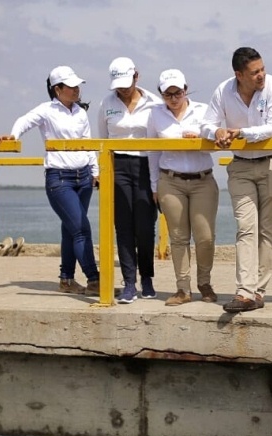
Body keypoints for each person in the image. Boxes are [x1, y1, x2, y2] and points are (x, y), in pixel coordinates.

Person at [0, 66, 100, 296]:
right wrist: (13, 136)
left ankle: (66, 279)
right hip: (59, 179)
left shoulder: (81, 113)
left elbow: (88, 142)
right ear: (57, 89)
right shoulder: (46, 110)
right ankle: (95, 280)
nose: (76, 90)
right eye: (71, 86)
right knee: (81, 229)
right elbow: (25, 121)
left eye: (77, 86)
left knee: (70, 230)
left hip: (83, 178)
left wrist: (95, 170)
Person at [200, 47, 272, 313]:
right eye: (254, 72)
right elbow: (207, 124)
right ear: (239, 75)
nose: (261, 75)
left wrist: (240, 133)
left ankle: (259, 291)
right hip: (240, 166)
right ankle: (244, 291)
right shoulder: (223, 91)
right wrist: (218, 131)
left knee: (266, 230)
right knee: (245, 227)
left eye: (262, 69)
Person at [146, 69, 219, 307]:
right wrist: (154, 184)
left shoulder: (202, 111)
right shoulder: (155, 115)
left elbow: (215, 144)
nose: (174, 99)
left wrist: (198, 140)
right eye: (168, 94)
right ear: (161, 94)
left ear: (186, 90)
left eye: (177, 93)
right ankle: (182, 287)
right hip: (171, 179)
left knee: (205, 237)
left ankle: (205, 282)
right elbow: (152, 151)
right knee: (178, 237)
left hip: (202, 178)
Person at [97, 57, 163, 304]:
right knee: (123, 227)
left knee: (145, 227)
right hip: (118, 166)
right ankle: (128, 283)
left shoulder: (154, 103)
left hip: (147, 165)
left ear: (137, 76)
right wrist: (100, 172)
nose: (123, 89)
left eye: (127, 82)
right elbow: (102, 140)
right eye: (118, 85)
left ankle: (147, 277)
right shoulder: (107, 104)